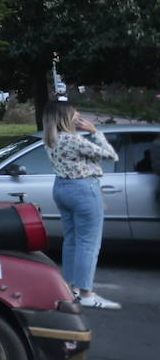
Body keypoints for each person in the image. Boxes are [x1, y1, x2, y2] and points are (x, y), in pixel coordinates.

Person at [43, 101, 121, 310]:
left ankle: (70, 289)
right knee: (88, 243)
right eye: (75, 115)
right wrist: (95, 131)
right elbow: (111, 156)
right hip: (83, 189)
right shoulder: (74, 140)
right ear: (66, 118)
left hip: (61, 188)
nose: (79, 118)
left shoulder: (50, 139)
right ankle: (86, 293)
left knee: (72, 240)